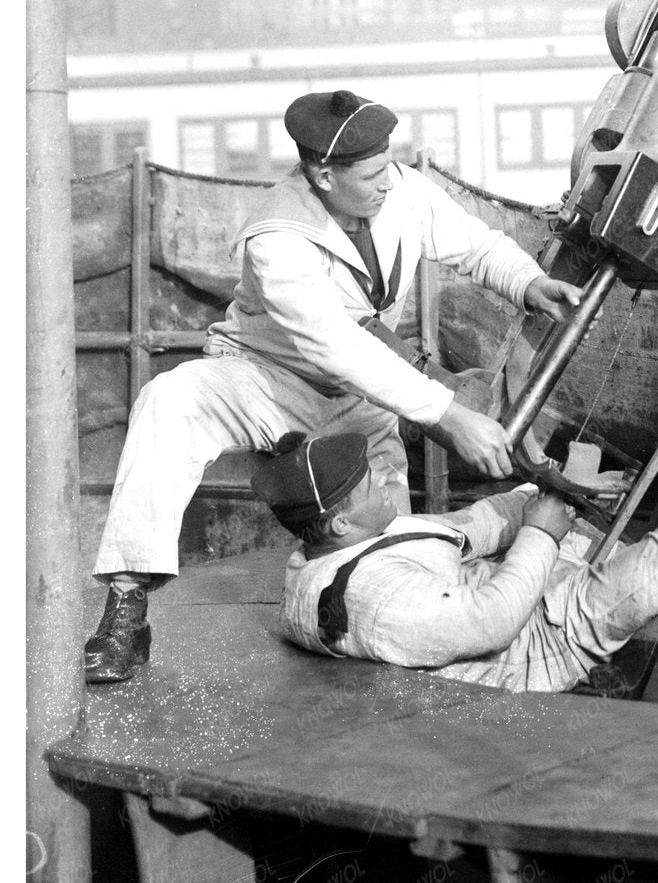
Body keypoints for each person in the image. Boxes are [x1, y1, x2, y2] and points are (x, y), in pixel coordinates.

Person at [85, 89, 582, 684]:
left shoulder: (400, 190)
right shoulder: (278, 234)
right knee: (170, 400)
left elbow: (476, 246)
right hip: (266, 378)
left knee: (391, 538)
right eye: (370, 173)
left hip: (361, 396)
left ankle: (453, 650)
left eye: (387, 166)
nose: (386, 183)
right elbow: (333, 345)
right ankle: (125, 607)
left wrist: (529, 282)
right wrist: (446, 414)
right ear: (322, 174)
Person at [250, 430, 658, 691]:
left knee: (565, 524)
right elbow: (490, 621)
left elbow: (472, 526)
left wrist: (553, 491)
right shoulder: (370, 597)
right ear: (342, 521)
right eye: (367, 482)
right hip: (539, 645)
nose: (382, 477)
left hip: (529, 604)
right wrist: (541, 536)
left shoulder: (342, 545)